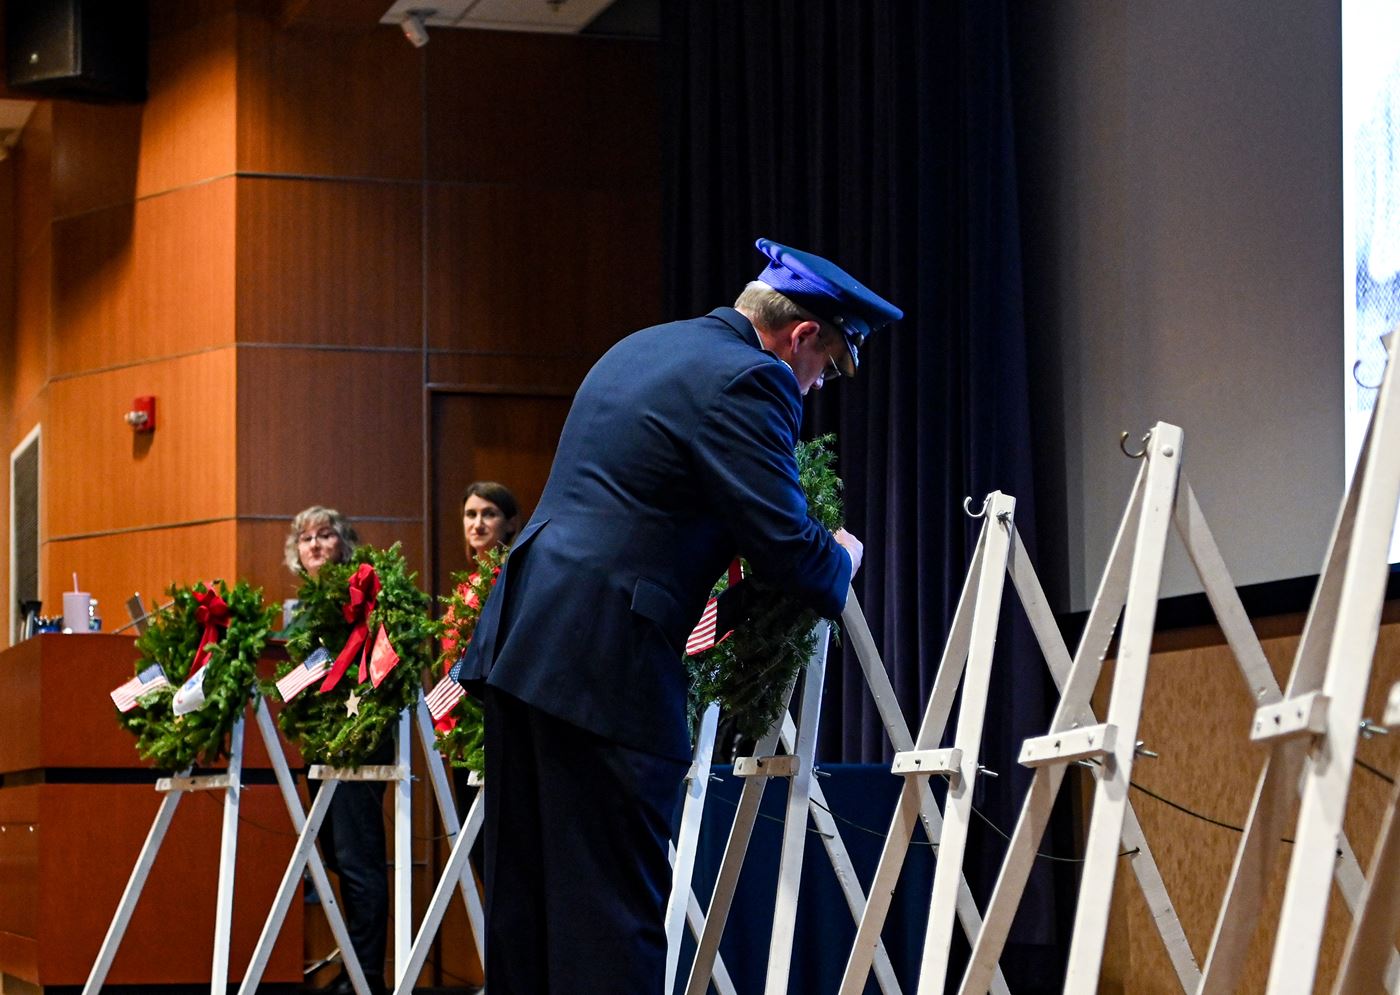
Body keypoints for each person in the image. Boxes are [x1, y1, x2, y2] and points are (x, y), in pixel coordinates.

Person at [453, 238, 901, 992]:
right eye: (826, 365)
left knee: (529, 910)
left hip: (523, 645)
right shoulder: (752, 379)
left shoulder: (643, 346)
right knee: (609, 915)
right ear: (799, 337)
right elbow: (791, 549)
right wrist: (845, 555)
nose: (817, 385)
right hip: (604, 663)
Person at [285, 506, 390, 995]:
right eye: (305, 539)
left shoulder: (363, 596)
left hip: (359, 740)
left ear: (343, 543)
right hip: (318, 743)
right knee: (333, 857)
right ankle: (353, 968)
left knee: (358, 859)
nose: (315, 545)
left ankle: (368, 975)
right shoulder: (299, 611)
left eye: (324, 535)